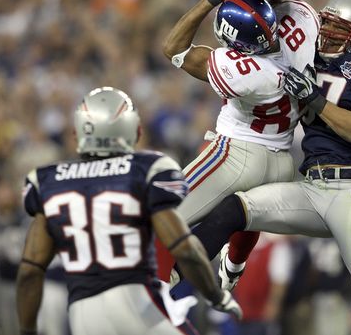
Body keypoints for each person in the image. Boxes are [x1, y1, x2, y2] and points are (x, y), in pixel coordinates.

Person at [187, 0, 351, 334]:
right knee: (233, 209)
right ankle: (179, 284)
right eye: (328, 23)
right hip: (310, 186)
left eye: (341, 28)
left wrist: (316, 100)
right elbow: (266, 24)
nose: (328, 34)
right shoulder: (306, 54)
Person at [15, 87, 241, 335]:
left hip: (83, 315)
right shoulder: (147, 170)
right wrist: (215, 295)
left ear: (77, 132)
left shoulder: (48, 181)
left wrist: (26, 330)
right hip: (137, 301)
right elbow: (184, 249)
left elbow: (29, 271)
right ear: (134, 129)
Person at [160, 0, 319, 284]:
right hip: (282, 160)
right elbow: (282, 0)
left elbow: (173, 49)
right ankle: (233, 268)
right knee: (246, 213)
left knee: (162, 219)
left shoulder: (244, 71)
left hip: (237, 154)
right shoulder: (303, 18)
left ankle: (156, 298)